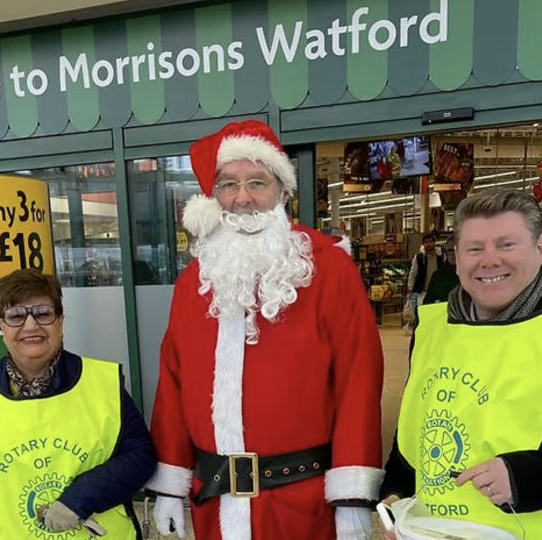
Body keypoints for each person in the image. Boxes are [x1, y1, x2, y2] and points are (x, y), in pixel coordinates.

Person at [146, 119, 385, 540]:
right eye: (228, 185)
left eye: (257, 182)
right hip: (214, 505)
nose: (243, 199)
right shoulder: (194, 280)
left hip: (301, 505)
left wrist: (351, 497)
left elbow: (359, 380)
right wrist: (170, 484)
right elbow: (172, 384)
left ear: (282, 191)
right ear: (213, 197)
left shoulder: (328, 269)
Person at [380, 189, 542, 539]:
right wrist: (395, 492)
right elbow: (417, 428)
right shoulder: (431, 327)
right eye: (475, 248)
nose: (489, 260)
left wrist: (525, 477)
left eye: (506, 244)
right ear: (456, 256)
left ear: (541, 248)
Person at [0, 269, 157, 539]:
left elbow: (140, 455)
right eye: (16, 315)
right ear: (1, 326)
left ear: (60, 321)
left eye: (43, 313)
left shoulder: (102, 384)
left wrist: (80, 498)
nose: (30, 326)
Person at [422, 237, 460, 304]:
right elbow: (428, 302)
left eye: (456, 250)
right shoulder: (438, 276)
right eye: (450, 250)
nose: (453, 253)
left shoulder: (474, 274)